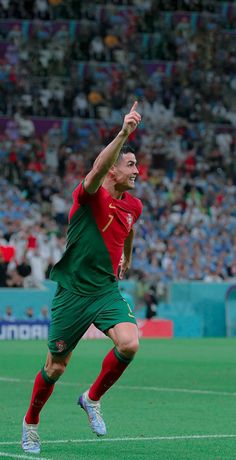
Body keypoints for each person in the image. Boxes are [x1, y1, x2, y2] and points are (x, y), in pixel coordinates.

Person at [22, 101, 142, 454]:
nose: (137, 171)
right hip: (73, 292)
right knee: (56, 368)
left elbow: (131, 228)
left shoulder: (134, 205)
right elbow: (96, 170)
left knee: (130, 343)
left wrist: (127, 255)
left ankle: (91, 399)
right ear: (113, 172)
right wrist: (123, 134)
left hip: (105, 290)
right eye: (130, 165)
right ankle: (30, 424)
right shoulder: (89, 197)